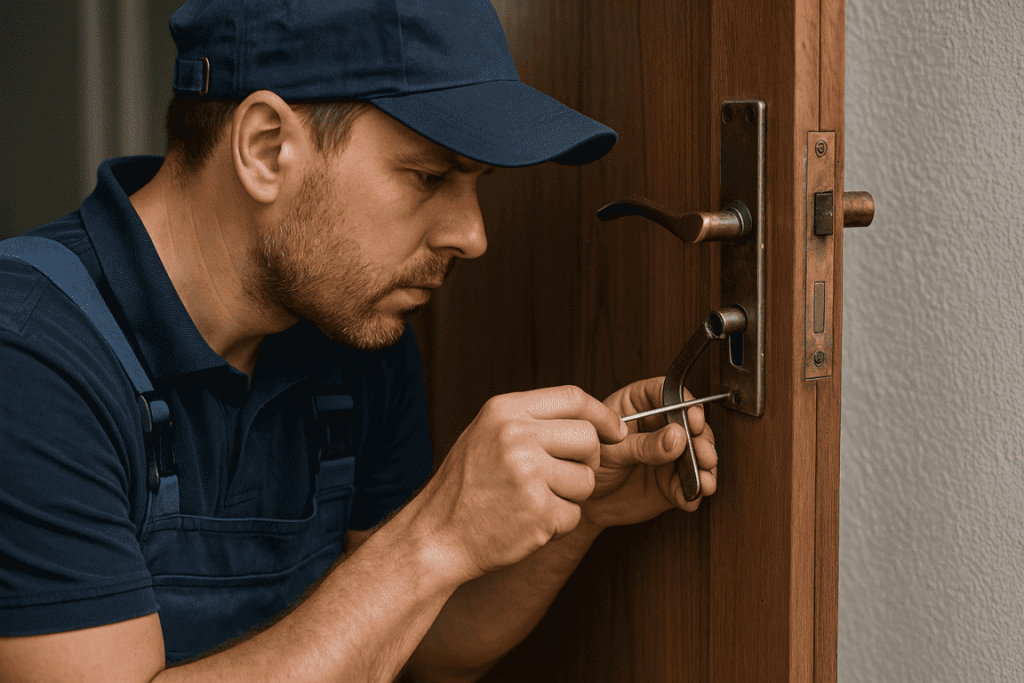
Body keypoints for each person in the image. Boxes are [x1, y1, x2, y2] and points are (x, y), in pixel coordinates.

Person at [0, 1, 718, 681]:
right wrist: (436, 533)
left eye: (476, 185)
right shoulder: (30, 359)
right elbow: (404, 575)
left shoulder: (354, 327)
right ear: (265, 148)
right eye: (429, 176)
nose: (472, 236)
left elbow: (415, 642)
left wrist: (577, 507)